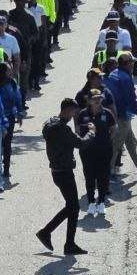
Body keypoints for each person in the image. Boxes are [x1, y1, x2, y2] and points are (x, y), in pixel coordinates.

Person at [37, 98, 95, 255]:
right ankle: (61, 240)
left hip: (57, 170)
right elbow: (81, 143)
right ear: (67, 110)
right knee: (73, 207)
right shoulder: (62, 129)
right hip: (64, 171)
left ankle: (54, 236)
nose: (73, 116)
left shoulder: (51, 124)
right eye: (73, 112)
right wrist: (91, 132)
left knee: (72, 206)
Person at [104, 53, 137, 178]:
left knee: (131, 143)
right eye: (132, 62)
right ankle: (107, 175)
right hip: (122, 117)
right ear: (127, 64)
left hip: (117, 115)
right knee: (116, 145)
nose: (134, 63)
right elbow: (131, 101)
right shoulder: (125, 78)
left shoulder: (114, 73)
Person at [76, 88, 117, 217]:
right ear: (88, 100)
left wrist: (105, 141)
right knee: (89, 176)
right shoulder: (82, 114)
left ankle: (101, 202)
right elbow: (78, 130)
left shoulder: (107, 113)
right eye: (94, 99)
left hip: (104, 150)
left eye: (99, 98)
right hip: (87, 151)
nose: (97, 101)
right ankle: (91, 202)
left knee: (103, 176)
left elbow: (113, 129)